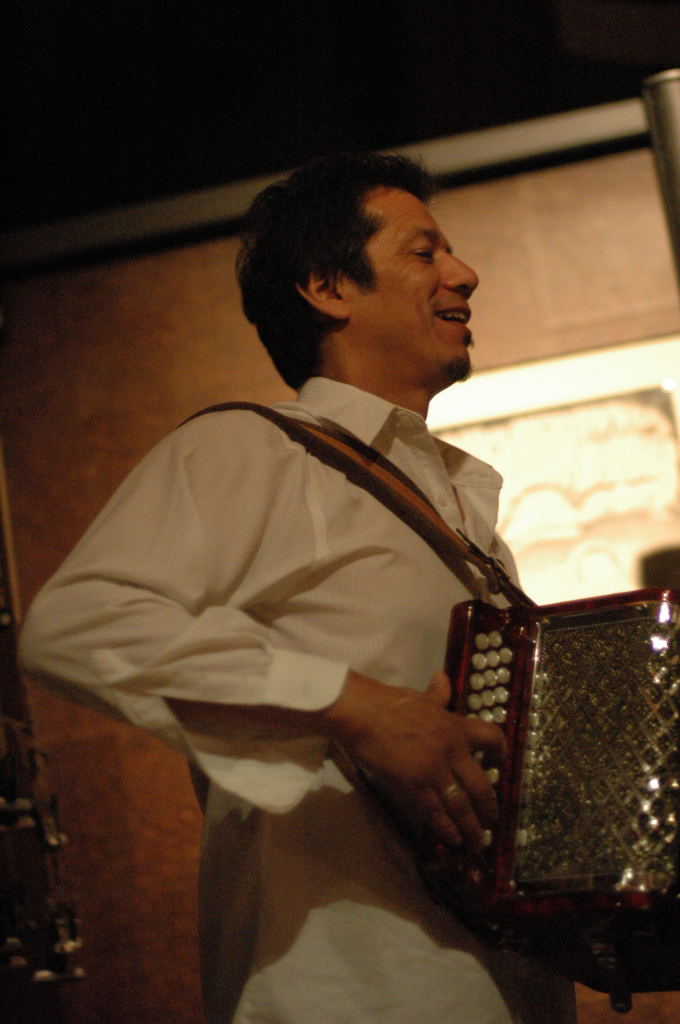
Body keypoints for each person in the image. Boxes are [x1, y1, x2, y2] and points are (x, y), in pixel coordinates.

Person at [19, 153, 575, 1023]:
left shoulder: (467, 517)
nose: (464, 273)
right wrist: (356, 705)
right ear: (327, 286)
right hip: (347, 990)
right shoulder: (255, 450)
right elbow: (76, 622)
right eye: (424, 252)